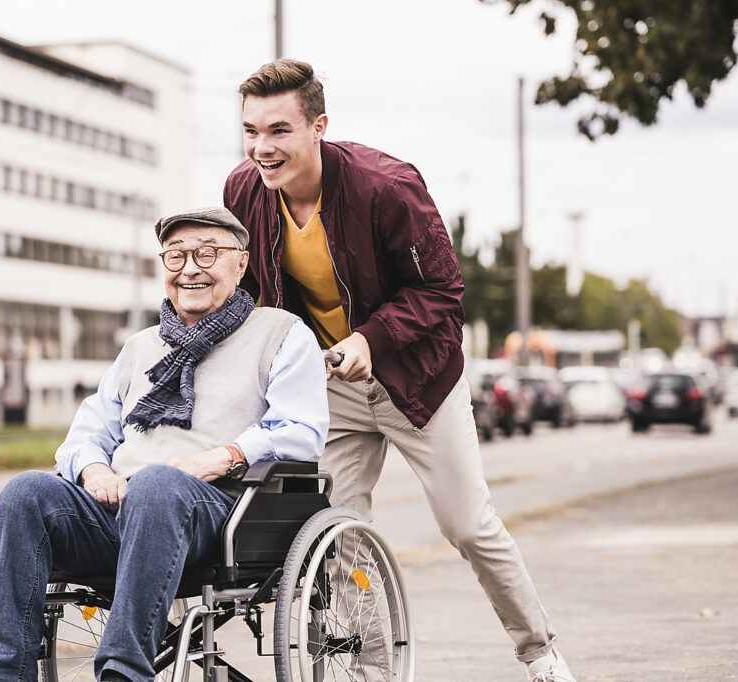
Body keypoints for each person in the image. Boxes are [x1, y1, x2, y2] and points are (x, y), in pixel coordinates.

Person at [224, 59, 576, 682]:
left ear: (318, 127)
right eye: (251, 131)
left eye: (278, 130)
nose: (262, 148)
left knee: (467, 524)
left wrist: (371, 339)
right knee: (334, 539)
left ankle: (539, 653)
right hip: (332, 389)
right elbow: (248, 296)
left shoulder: (386, 186)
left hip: (416, 382)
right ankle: (369, 672)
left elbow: (442, 290)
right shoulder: (243, 193)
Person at [0, 207, 328, 681]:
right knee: (24, 494)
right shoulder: (140, 347)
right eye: (175, 256)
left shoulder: (280, 333)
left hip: (223, 511)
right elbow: (86, 434)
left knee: (158, 484)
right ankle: (2, 674)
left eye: (207, 253)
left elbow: (301, 431)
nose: (190, 268)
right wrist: (94, 472)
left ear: (240, 264)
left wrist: (221, 457)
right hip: (122, 509)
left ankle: (122, 674)